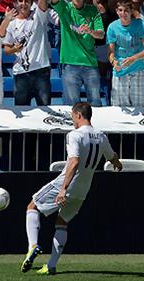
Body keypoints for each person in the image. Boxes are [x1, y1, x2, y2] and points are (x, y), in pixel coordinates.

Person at [21, 102, 122, 275]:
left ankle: (33, 246)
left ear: (78, 115)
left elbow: (74, 162)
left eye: (72, 116)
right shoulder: (101, 135)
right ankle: (51, 265)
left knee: (32, 206)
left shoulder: (75, 135)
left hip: (66, 184)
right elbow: (112, 156)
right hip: (83, 189)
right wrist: (117, 164)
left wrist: (63, 189)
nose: (72, 120)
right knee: (62, 223)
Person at [44, 0, 105, 106]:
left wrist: (91, 31)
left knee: (95, 102)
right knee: (71, 104)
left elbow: (101, 34)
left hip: (90, 63)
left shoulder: (93, 11)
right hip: (69, 63)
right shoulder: (65, 8)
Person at [4, 0, 52, 106]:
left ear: (31, 3)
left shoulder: (39, 16)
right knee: (22, 112)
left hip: (41, 70)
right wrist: (14, 49)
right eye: (20, 1)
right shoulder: (12, 24)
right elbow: (6, 50)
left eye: (26, 1)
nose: (23, 3)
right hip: (21, 73)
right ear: (16, 3)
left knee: (45, 111)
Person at [107, 0, 144, 106]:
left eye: (126, 10)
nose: (123, 13)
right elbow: (110, 52)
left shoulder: (141, 24)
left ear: (131, 11)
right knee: (120, 108)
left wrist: (134, 58)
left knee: (141, 106)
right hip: (120, 71)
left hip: (138, 70)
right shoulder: (112, 27)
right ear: (117, 11)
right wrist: (114, 62)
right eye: (120, 10)